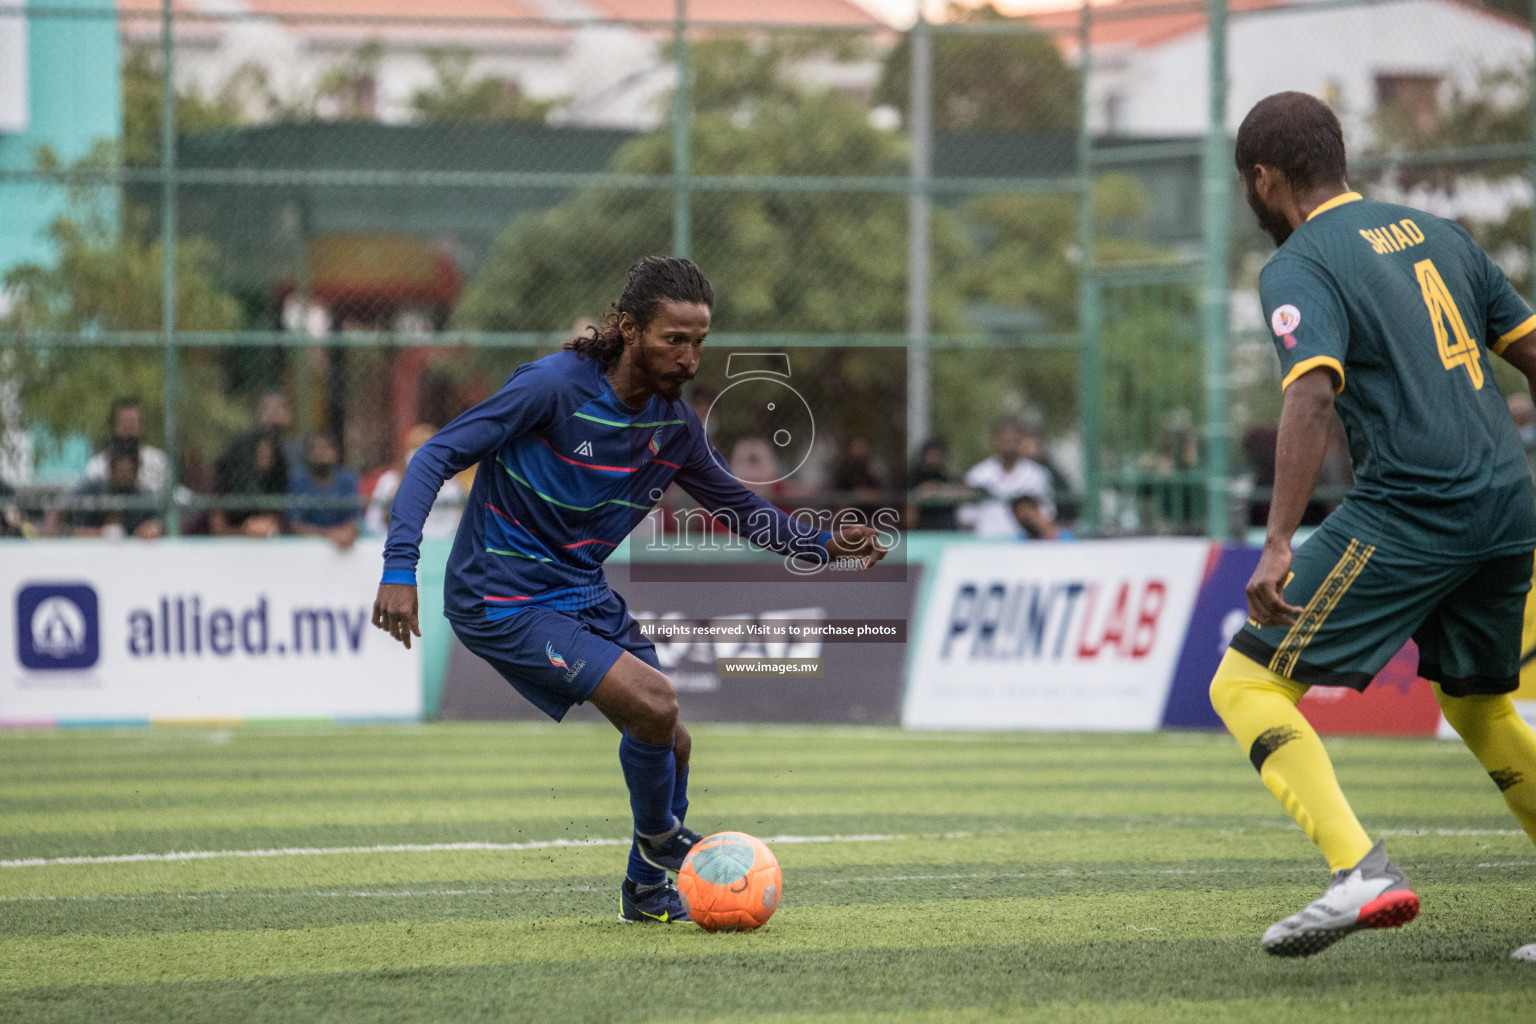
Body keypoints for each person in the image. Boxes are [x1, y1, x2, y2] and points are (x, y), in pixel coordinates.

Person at [372, 257, 886, 925]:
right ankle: (665, 842)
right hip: (500, 596)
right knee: (655, 701)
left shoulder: (674, 425)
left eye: (700, 340)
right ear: (627, 329)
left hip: (578, 591)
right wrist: (398, 568)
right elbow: (434, 455)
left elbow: (738, 508)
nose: (690, 356)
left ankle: (646, 893)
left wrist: (824, 547)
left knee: (671, 740)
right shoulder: (553, 388)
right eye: (674, 338)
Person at [1210, 91, 1536, 962]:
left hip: (1417, 507)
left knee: (1244, 686)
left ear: (1265, 178)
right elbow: (1533, 353)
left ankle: (1360, 870)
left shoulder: (1300, 263)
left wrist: (1279, 540)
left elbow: (1310, 390)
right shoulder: (1438, 235)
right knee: (1477, 704)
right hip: (1508, 504)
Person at [958, 417, 1053, 538]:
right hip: (986, 545)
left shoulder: (1037, 474)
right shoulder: (978, 475)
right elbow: (966, 516)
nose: (1009, 445)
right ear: (994, 441)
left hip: (1025, 545)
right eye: (1004, 440)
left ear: (1020, 442)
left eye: (1013, 440)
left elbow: (1046, 513)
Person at [366, 424, 465, 539]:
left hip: (442, 547)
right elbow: (373, 523)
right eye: (416, 449)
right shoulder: (389, 482)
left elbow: (458, 525)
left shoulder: (451, 487)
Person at [69, 441, 162, 539]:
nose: (124, 476)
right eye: (120, 471)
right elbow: (75, 531)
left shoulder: (146, 497)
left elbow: (158, 524)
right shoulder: (94, 492)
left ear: (137, 470)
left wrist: (151, 529)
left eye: (129, 472)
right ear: (111, 468)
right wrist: (102, 533)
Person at [209, 427, 288, 538]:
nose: (266, 456)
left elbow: (276, 521)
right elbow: (216, 529)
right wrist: (244, 531)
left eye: (269, 452)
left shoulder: (274, 482)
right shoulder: (225, 480)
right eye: (261, 452)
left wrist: (267, 527)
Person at [288, 433, 362, 550]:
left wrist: (344, 533)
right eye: (315, 449)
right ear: (307, 454)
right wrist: (329, 535)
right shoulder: (298, 480)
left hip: (341, 547)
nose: (320, 453)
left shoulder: (348, 479)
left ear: (335, 453)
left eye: (326, 448)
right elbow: (295, 525)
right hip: (307, 548)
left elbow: (353, 522)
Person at [82, 398, 168, 495]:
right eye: (123, 423)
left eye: (132, 423)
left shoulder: (159, 461)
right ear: (112, 426)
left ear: (142, 426)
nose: (128, 428)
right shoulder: (97, 465)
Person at [908, 439, 965, 531]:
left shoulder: (944, 477)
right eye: (932, 455)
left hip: (945, 526)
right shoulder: (914, 478)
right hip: (923, 526)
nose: (935, 459)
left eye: (938, 455)